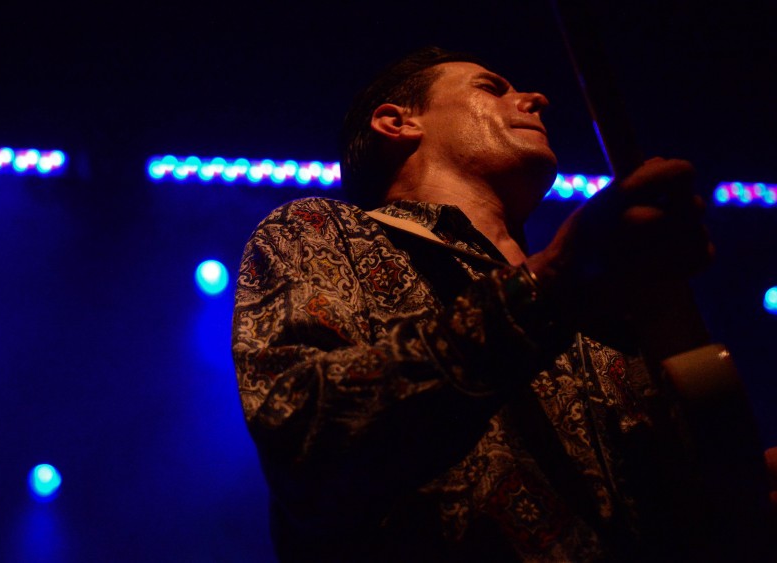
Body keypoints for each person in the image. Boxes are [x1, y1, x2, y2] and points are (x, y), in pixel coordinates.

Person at [231, 46, 773, 561]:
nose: (537, 98)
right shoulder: (321, 229)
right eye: (490, 87)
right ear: (397, 122)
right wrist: (549, 286)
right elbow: (305, 438)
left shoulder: (609, 311)